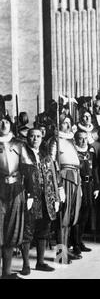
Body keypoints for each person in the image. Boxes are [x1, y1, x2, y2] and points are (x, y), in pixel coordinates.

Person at [20, 128, 62, 275]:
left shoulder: (46, 156)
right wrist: (25, 197)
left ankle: (40, 262)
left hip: (46, 198)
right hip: (30, 198)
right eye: (32, 136)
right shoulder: (23, 155)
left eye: (38, 136)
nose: (35, 139)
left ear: (42, 138)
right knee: (27, 231)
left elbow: (54, 178)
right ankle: (25, 264)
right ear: (27, 138)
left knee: (44, 230)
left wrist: (56, 198)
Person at [49, 114, 83, 263]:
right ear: (59, 125)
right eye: (64, 123)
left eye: (69, 123)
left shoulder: (71, 141)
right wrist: (58, 186)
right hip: (63, 178)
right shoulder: (55, 141)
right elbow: (51, 164)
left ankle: (66, 252)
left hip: (75, 178)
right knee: (62, 218)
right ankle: (60, 256)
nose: (67, 126)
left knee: (70, 218)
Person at [0, 114, 25, 279]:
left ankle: (7, 272)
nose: (3, 123)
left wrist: (29, 193)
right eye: (0, 121)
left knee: (11, 230)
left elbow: (27, 168)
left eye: (6, 121)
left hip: (16, 189)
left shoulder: (20, 144)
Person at [72, 131, 99, 255]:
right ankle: (75, 244)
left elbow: (95, 170)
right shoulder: (73, 152)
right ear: (76, 139)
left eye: (85, 139)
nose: (83, 141)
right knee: (77, 214)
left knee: (85, 215)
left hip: (90, 185)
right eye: (80, 139)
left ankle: (80, 241)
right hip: (79, 185)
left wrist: (96, 187)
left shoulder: (91, 152)